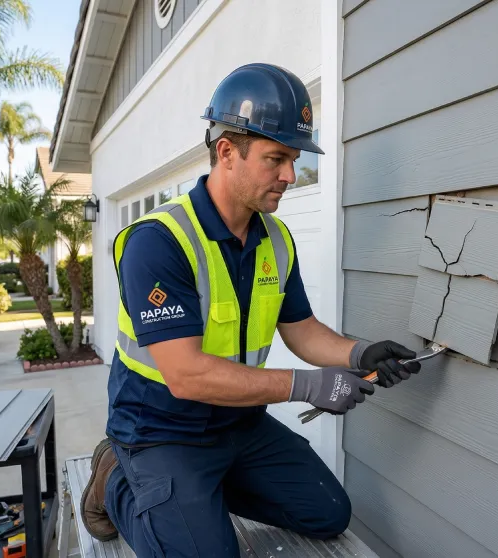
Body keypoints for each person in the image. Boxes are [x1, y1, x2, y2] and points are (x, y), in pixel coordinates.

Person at [78, 62, 422, 556]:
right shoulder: (159, 241)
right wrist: (307, 386)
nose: (290, 174)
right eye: (276, 158)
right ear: (226, 152)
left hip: (237, 423)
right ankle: (115, 478)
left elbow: (301, 329)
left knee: (327, 513)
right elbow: (187, 376)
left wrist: (360, 354)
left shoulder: (274, 238)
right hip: (162, 429)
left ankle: (195, 497)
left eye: (294, 158)